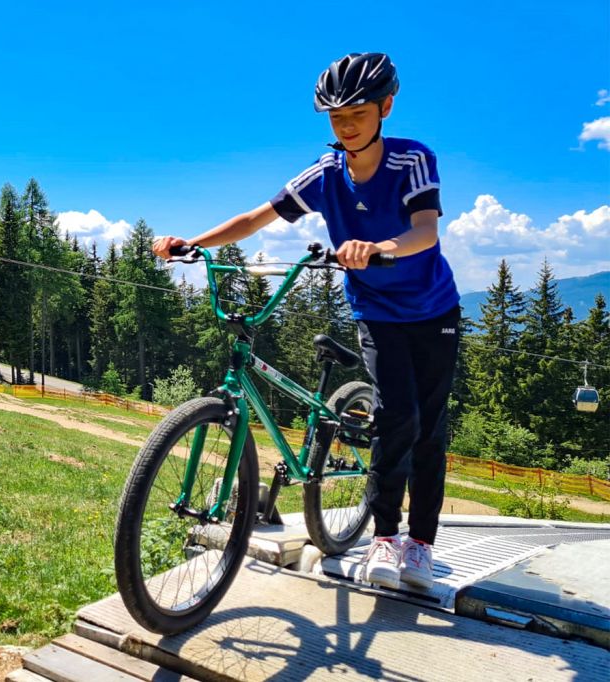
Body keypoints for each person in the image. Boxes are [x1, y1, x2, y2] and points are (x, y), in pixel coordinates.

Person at [152, 52, 460, 590]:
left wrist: (378, 247)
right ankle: (385, 540)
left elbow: (426, 231)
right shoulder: (325, 174)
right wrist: (190, 244)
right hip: (377, 312)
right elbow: (256, 217)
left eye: (358, 114)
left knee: (428, 429)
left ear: (386, 106)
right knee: (397, 418)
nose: (346, 126)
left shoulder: (411, 160)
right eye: (336, 118)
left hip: (433, 309)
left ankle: (421, 546)